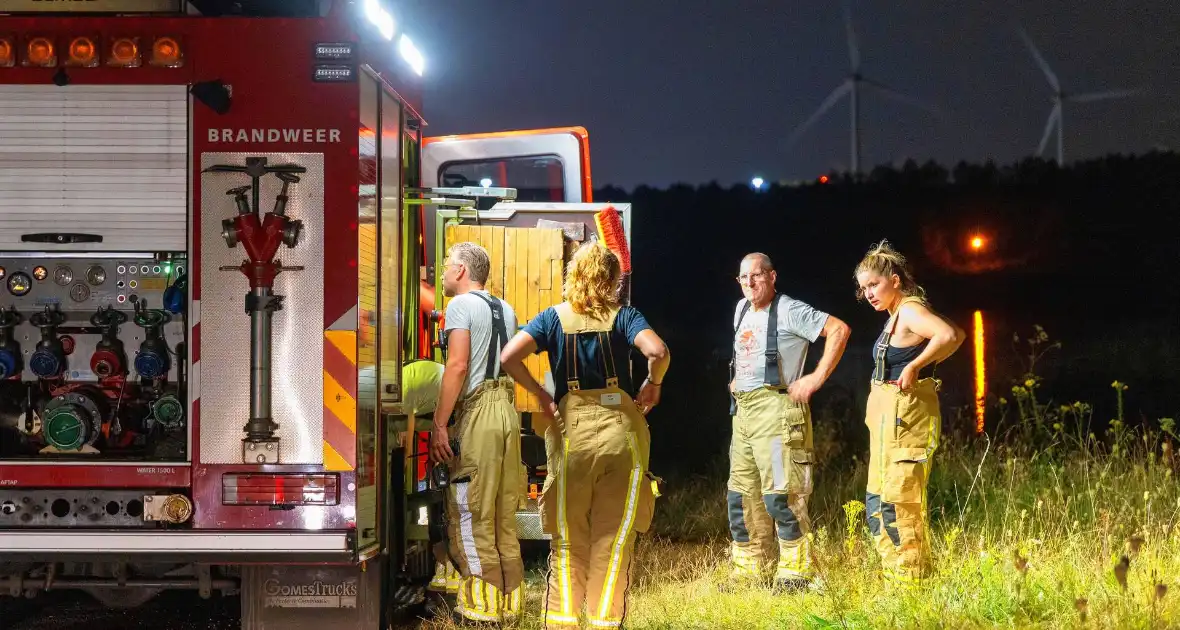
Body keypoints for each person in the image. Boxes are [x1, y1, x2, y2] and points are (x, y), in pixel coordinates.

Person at [499, 242, 670, 630]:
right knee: (612, 540)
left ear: (573, 276)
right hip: (620, 437)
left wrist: (541, 394)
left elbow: (509, 357)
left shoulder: (552, 319)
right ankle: (605, 622)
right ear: (611, 280)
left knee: (567, 539)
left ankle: (561, 622)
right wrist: (652, 384)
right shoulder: (625, 316)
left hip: (570, 436)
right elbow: (657, 351)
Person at [726, 252, 850, 591]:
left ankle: (795, 573)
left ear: (772, 276)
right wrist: (736, 380)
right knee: (742, 493)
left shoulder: (790, 309)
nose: (749, 283)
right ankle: (749, 570)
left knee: (783, 493)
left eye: (756, 275)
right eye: (743, 277)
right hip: (744, 414)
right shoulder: (741, 310)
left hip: (778, 412)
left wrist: (814, 378)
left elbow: (838, 329)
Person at [853, 240, 963, 585]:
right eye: (863, 288)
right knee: (877, 502)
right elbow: (957, 335)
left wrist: (916, 366)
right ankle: (901, 577)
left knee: (899, 503)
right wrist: (925, 365)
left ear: (895, 280)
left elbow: (947, 334)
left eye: (874, 284)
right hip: (890, 423)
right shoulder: (897, 315)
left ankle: (910, 584)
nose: (868, 293)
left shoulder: (911, 310)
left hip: (907, 421)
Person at [428, 241, 525, 624]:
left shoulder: (460, 306)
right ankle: (509, 606)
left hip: (480, 412)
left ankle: (481, 612)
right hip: (507, 410)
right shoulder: (508, 308)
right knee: (503, 513)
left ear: (462, 271)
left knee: (471, 509)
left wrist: (439, 423)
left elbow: (457, 365)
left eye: (447, 265)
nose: (442, 272)